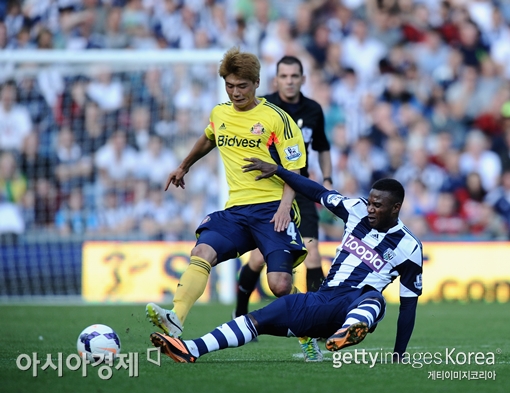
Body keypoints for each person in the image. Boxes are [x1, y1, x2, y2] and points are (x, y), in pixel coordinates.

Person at [149, 158, 423, 364]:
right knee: (259, 317)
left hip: (354, 304)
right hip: (321, 301)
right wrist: (280, 171)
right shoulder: (356, 210)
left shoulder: (409, 247)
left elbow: (408, 307)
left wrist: (398, 355)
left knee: (374, 298)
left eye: (378, 205)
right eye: (371, 203)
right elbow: (315, 192)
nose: (371, 208)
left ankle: (350, 329)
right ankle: (191, 348)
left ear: (395, 208)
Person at [145, 47, 322, 360]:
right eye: (230, 85)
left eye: (242, 86)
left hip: (272, 208)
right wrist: (184, 165)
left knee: (280, 285)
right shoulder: (220, 113)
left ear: (255, 83)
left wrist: (284, 207)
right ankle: (176, 317)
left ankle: (308, 338)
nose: (236, 92)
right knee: (201, 251)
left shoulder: (276, 119)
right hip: (237, 211)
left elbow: (295, 169)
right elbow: (208, 138)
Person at [234, 56, 332, 320]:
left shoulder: (313, 110)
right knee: (257, 258)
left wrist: (328, 179)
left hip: (301, 188)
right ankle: (240, 309)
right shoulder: (263, 106)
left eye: (294, 76)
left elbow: (322, 146)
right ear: (276, 79)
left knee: (313, 252)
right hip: (269, 190)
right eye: (284, 76)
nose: (289, 81)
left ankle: (317, 318)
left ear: (303, 79)